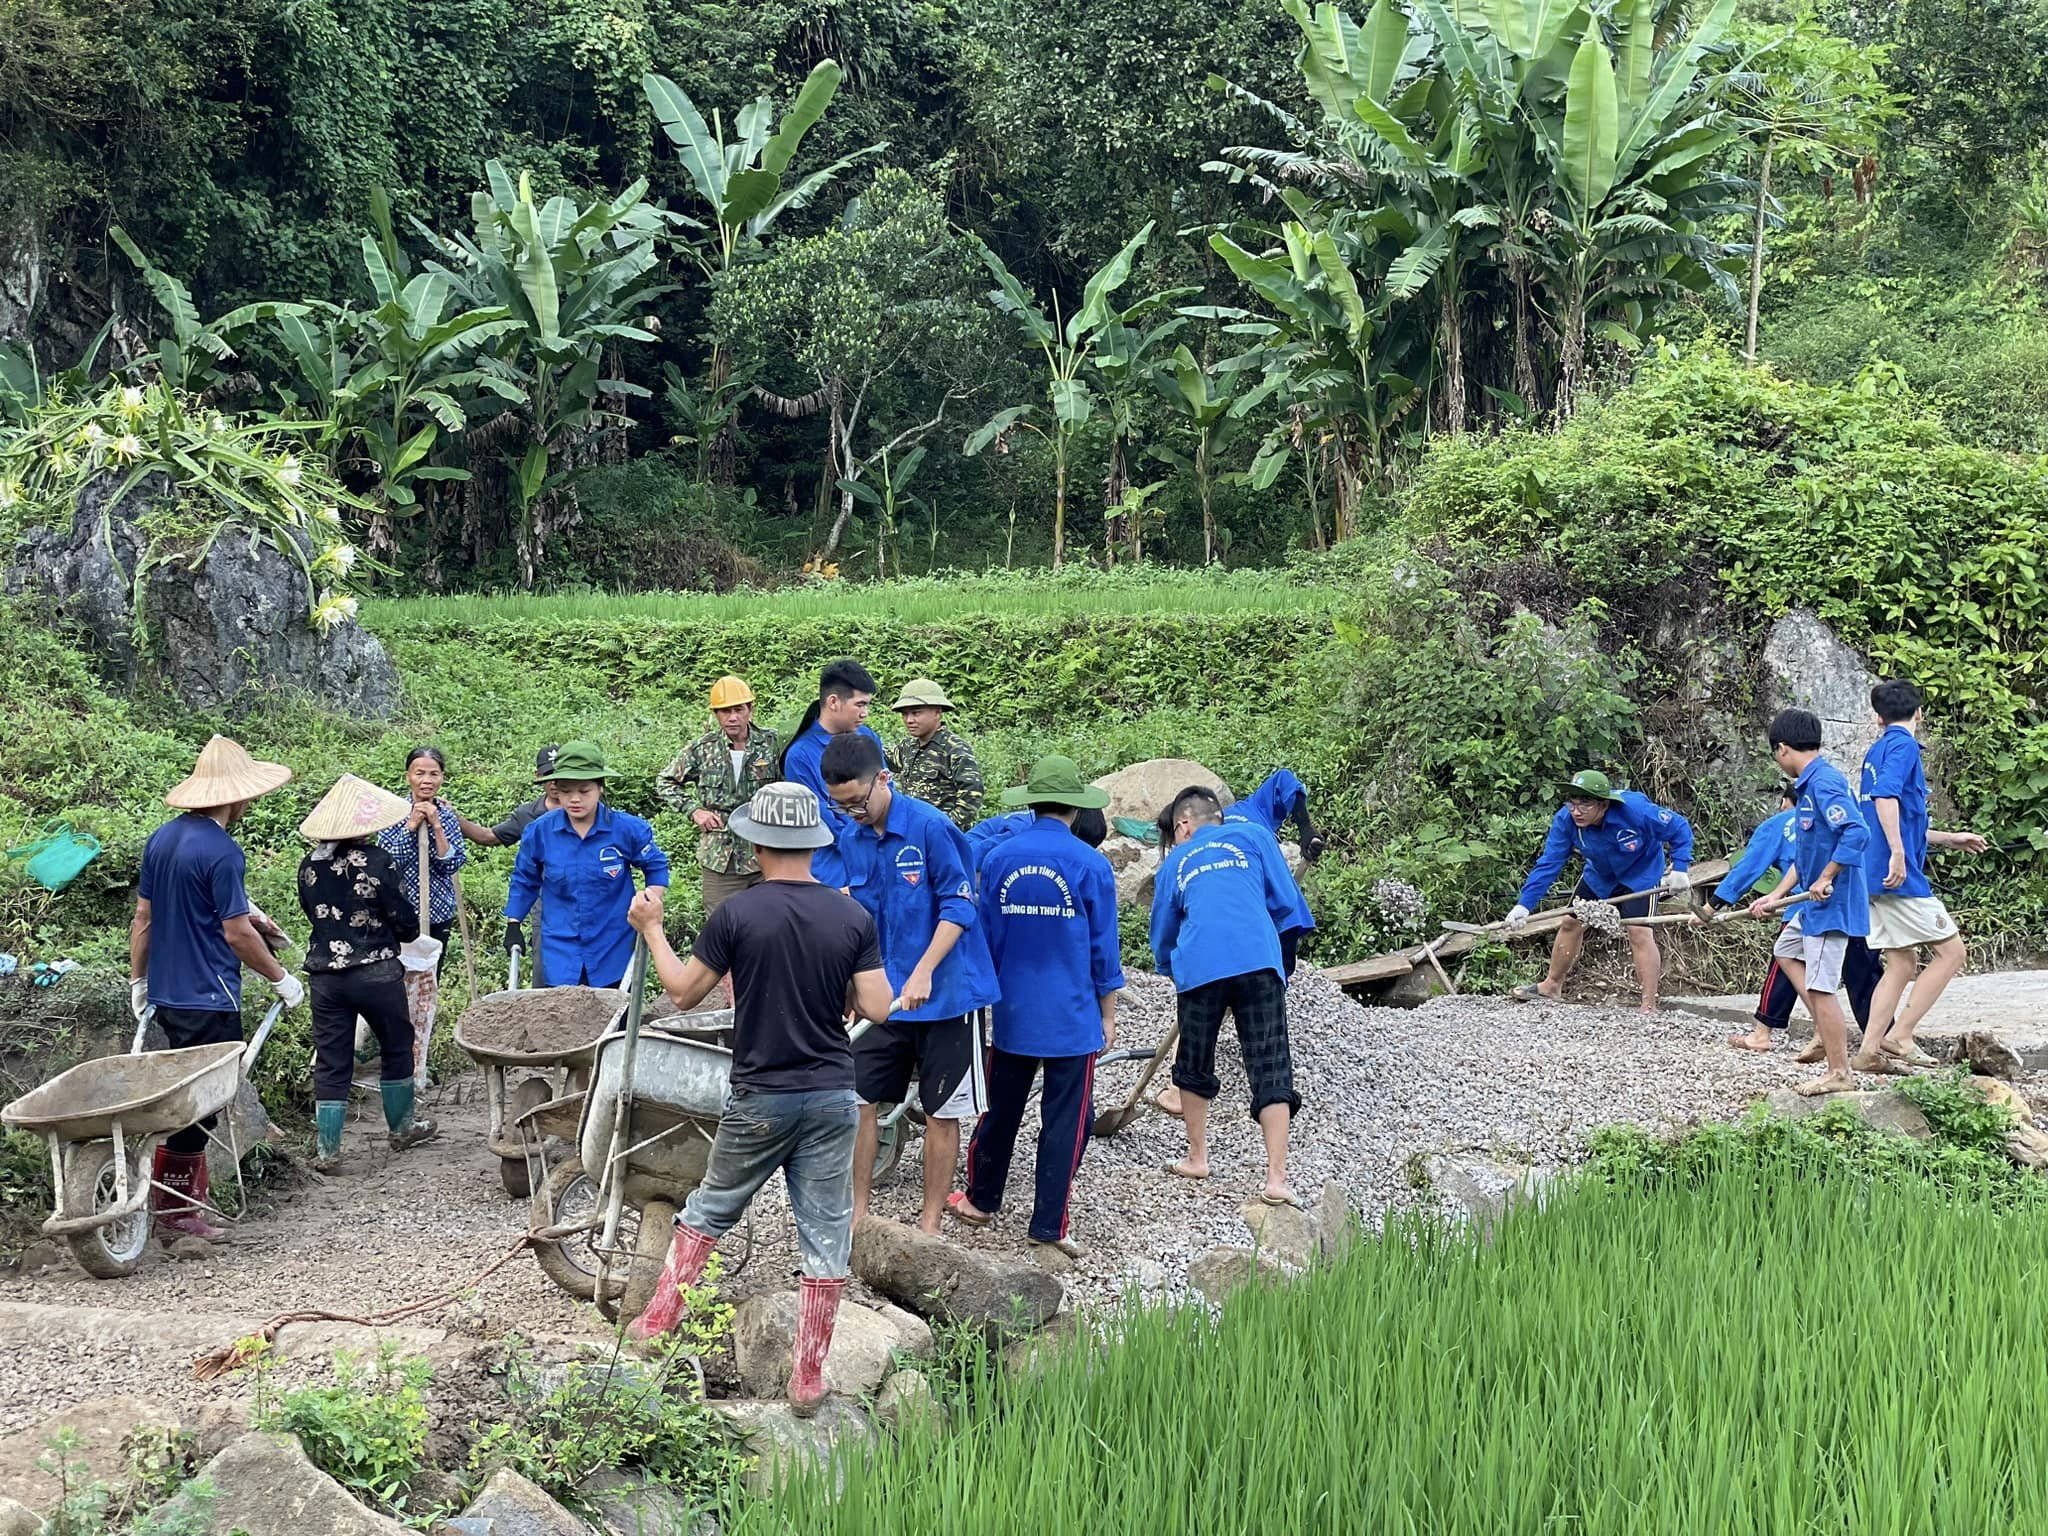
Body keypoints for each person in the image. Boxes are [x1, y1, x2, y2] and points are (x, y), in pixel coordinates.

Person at [622, 783, 894, 1416]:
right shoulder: (851, 916)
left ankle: (657, 1324)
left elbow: (685, 994)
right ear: (812, 842)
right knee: (825, 1233)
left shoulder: (737, 915)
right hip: (831, 1094)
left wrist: (653, 929)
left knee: (712, 1206)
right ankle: (807, 1377)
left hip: (761, 1094)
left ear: (755, 841)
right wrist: (844, 993)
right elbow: (878, 1007)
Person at [819, 733, 1000, 1236]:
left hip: (946, 994)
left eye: (858, 801)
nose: (852, 812)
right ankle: (857, 1213)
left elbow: (960, 905)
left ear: (883, 779)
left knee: (943, 1111)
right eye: (841, 805)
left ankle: (930, 1223)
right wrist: (852, 989)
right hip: (883, 995)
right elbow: (855, 915)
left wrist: (924, 969)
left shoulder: (931, 827)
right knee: (858, 1101)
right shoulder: (850, 837)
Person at [947, 758, 1123, 1266]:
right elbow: (1102, 951)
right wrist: (1107, 1014)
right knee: (1066, 1120)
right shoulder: (1091, 864)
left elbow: (986, 938)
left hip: (1013, 1010)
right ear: (1074, 807)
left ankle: (981, 1201)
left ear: (1030, 803)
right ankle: (1049, 1225)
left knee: (1000, 1107)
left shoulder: (1000, 859)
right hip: (1072, 1015)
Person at [129, 736, 304, 1244]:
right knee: (199, 1105)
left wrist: (140, 979)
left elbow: (146, 917)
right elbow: (236, 933)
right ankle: (177, 1213)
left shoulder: (162, 840)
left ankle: (172, 1205)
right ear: (235, 797)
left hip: (167, 994)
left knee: (180, 1100)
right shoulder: (224, 851)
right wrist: (280, 976)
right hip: (210, 996)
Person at [1149, 786, 1304, 1205]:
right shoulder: (1253, 836)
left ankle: (1198, 1158)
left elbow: (1163, 933)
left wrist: (1171, 967)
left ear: (1183, 825)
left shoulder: (1176, 862)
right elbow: (1287, 901)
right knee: (1270, 1062)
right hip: (1258, 959)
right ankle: (1276, 1179)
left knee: (1194, 1059)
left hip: (1201, 966)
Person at [295, 775, 438, 1171]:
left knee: (332, 1057)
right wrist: (400, 935)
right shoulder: (377, 861)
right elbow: (404, 920)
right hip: (375, 970)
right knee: (396, 1043)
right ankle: (402, 1128)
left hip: (325, 976)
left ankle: (328, 1150)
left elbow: (312, 913)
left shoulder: (309, 866)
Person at [1853, 680, 1990, 1070]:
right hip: (1898, 875)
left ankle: (1868, 1051)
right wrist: (1899, 853)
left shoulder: (1876, 751)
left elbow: (1892, 815)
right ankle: (1900, 1034)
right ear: (1919, 713)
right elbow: (1885, 800)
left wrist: (1949, 838)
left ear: (1877, 717)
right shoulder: (1903, 746)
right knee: (1951, 953)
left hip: (1873, 871)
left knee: (1901, 963)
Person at [1749, 709, 1871, 1097]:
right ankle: (1824, 1030)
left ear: (1782, 748)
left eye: (1775, 754)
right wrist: (1777, 895)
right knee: (1785, 950)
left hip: (1831, 903)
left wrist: (1827, 876)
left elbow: (1856, 832)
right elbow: (1807, 856)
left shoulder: (1825, 784)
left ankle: (1839, 1071)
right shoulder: (1807, 787)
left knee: (1821, 987)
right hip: (1811, 904)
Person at [1706, 788, 1883, 1054]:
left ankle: (1767, 1034)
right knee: (1864, 973)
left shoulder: (1782, 822)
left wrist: (1713, 905)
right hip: (1855, 903)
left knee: (1783, 966)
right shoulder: (1842, 819)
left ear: (1785, 802)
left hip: (1811, 906)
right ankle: (1881, 1038)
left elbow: (1749, 866)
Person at [1506, 770, 1695, 1013]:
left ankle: (1649, 1004)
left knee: (1638, 931)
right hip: (1600, 876)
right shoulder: (1566, 821)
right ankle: (1552, 986)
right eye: (1572, 803)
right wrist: (1524, 905)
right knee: (1570, 922)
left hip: (1641, 875)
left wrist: (1680, 867)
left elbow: (1679, 827)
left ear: (1603, 804)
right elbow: (1549, 863)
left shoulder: (1635, 811)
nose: (1576, 811)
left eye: (1585, 804)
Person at [504, 741, 670, 988]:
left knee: (615, 1018)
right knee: (561, 1018)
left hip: (612, 946)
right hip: (560, 947)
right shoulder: (540, 832)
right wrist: (513, 923)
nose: (575, 799)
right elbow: (525, 880)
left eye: (584, 791)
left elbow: (656, 867)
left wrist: (649, 903)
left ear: (600, 788)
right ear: (555, 790)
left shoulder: (627, 830)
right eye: (567, 791)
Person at [656, 676, 783, 918]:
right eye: (725, 711)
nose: (732, 717)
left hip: (765, 852)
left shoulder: (772, 744)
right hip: (720, 855)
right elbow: (665, 781)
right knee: (721, 925)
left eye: (738, 709)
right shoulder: (703, 749)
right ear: (716, 714)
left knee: (771, 922)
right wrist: (694, 810)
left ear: (750, 709)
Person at [454, 746, 560, 985]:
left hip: (589, 900)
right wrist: (454, 818)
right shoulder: (528, 815)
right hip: (545, 901)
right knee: (546, 968)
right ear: (538, 776)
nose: (555, 781)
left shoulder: (585, 808)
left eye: (560, 772)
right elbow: (489, 837)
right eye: (548, 774)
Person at [375, 747, 469, 971]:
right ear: (408, 776)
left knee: (431, 976)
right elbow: (388, 866)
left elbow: (451, 864)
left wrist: (436, 825)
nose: (427, 780)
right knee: (397, 977)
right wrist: (411, 826)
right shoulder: (393, 813)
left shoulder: (446, 815)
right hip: (399, 913)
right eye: (420, 773)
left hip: (438, 913)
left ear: (442, 777)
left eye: (434, 774)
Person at [779, 659, 884, 828]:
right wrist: (863, 842)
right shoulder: (800, 755)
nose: (865, 714)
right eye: (860, 705)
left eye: (867, 705)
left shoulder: (868, 737)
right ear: (833, 702)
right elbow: (820, 818)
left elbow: (886, 789)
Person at [886, 680, 985, 831]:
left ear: (937, 713)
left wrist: (943, 827)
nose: (909, 720)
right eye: (905, 714)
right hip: (912, 831)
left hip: (942, 836)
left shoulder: (954, 749)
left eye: (916, 713)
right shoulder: (908, 746)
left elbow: (972, 798)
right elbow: (885, 759)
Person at [1228, 768, 1328, 862]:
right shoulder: (1250, 809)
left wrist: (1306, 829)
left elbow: (1283, 780)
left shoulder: (1250, 809)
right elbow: (1284, 780)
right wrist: (1305, 827)